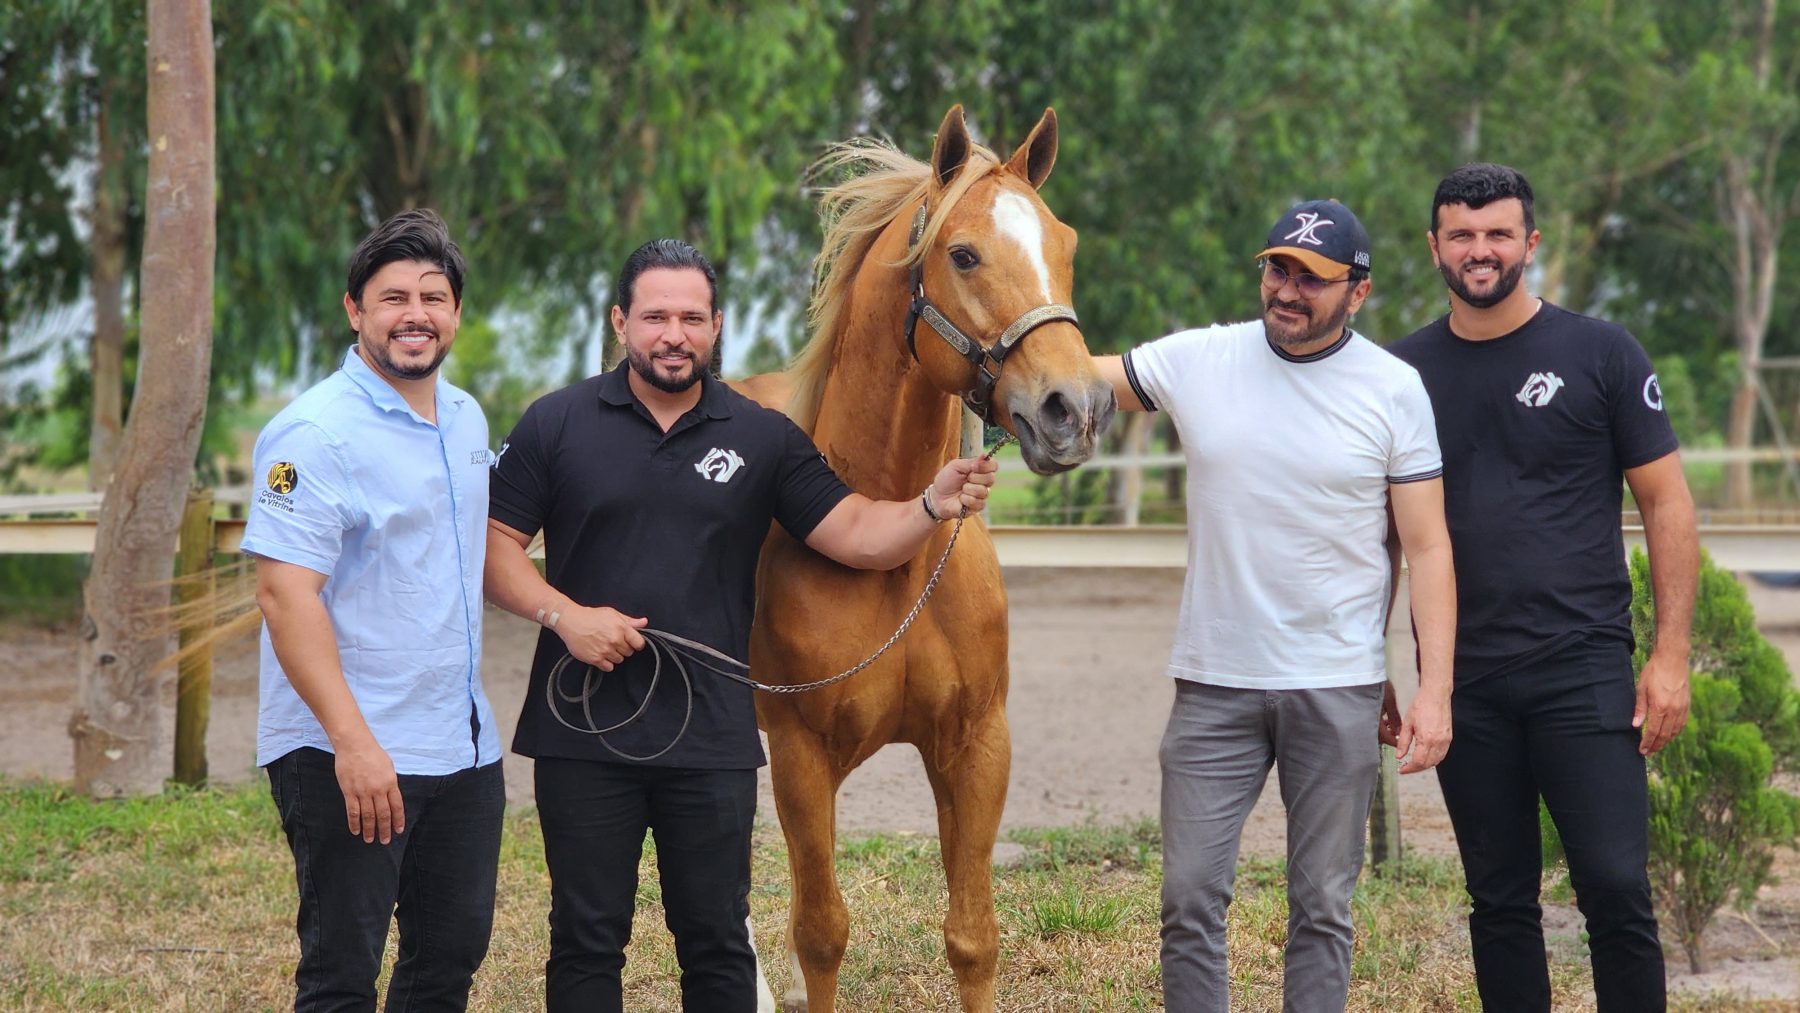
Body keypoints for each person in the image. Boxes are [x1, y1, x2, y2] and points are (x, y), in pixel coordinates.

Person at [484, 238, 999, 1012]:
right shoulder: (556, 423)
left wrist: (933, 502)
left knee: (718, 941)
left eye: (692, 318)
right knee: (586, 940)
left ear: (716, 326)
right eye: (656, 316)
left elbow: (857, 532)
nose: (674, 334)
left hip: (710, 740)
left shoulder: (762, 436)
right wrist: (567, 616)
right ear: (621, 322)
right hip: (584, 737)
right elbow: (494, 550)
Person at [1093, 199, 1457, 1012]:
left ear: (1357, 292)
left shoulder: (1395, 389)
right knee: (1188, 896)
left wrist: (1433, 690)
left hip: (1335, 684)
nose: (1288, 290)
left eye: (1311, 278)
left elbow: (1428, 546)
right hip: (1213, 682)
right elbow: (1076, 377)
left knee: (1322, 905)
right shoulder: (1201, 357)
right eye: (1277, 269)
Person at [1388, 163, 1698, 1012]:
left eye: (1497, 233)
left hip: (1582, 668)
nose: (1479, 249)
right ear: (1435, 247)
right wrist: (1376, 667)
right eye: (1461, 234)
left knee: (1615, 887)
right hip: (1465, 676)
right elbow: (1378, 536)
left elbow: (1667, 502)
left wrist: (1670, 656)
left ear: (1530, 242)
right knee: (1499, 900)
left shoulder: (1602, 353)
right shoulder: (1398, 374)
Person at [241, 209, 504, 1010]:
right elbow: (285, 594)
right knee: (341, 977)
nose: (414, 314)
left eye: (433, 296)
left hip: (460, 746)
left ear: (455, 312)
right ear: (355, 310)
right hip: (346, 750)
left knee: (447, 961)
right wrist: (353, 745)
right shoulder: (313, 434)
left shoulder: (465, 417)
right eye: (393, 297)